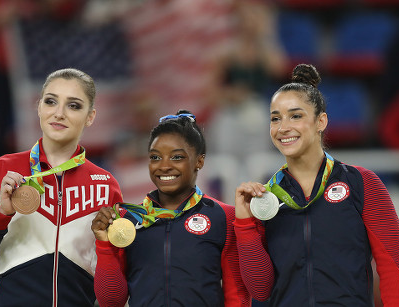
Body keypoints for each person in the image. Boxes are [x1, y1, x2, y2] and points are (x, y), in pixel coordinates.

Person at [235, 64, 399, 306]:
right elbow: (260, 290)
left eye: (296, 115)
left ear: (321, 121)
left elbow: (394, 270)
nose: (283, 127)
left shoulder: (362, 183)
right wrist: (244, 224)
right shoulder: (266, 199)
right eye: (275, 118)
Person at [0, 68, 123, 306]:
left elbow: (113, 291)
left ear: (90, 116)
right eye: (51, 101)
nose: (59, 113)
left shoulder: (106, 185)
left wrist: (107, 245)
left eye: (74, 105)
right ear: (38, 107)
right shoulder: (2, 169)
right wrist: (2, 213)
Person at [91, 110, 273, 306]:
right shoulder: (127, 220)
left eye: (177, 157)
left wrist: (246, 226)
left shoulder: (224, 217)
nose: (164, 166)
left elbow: (243, 295)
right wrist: (105, 246)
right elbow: (111, 302)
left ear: (199, 161)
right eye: (155, 157)